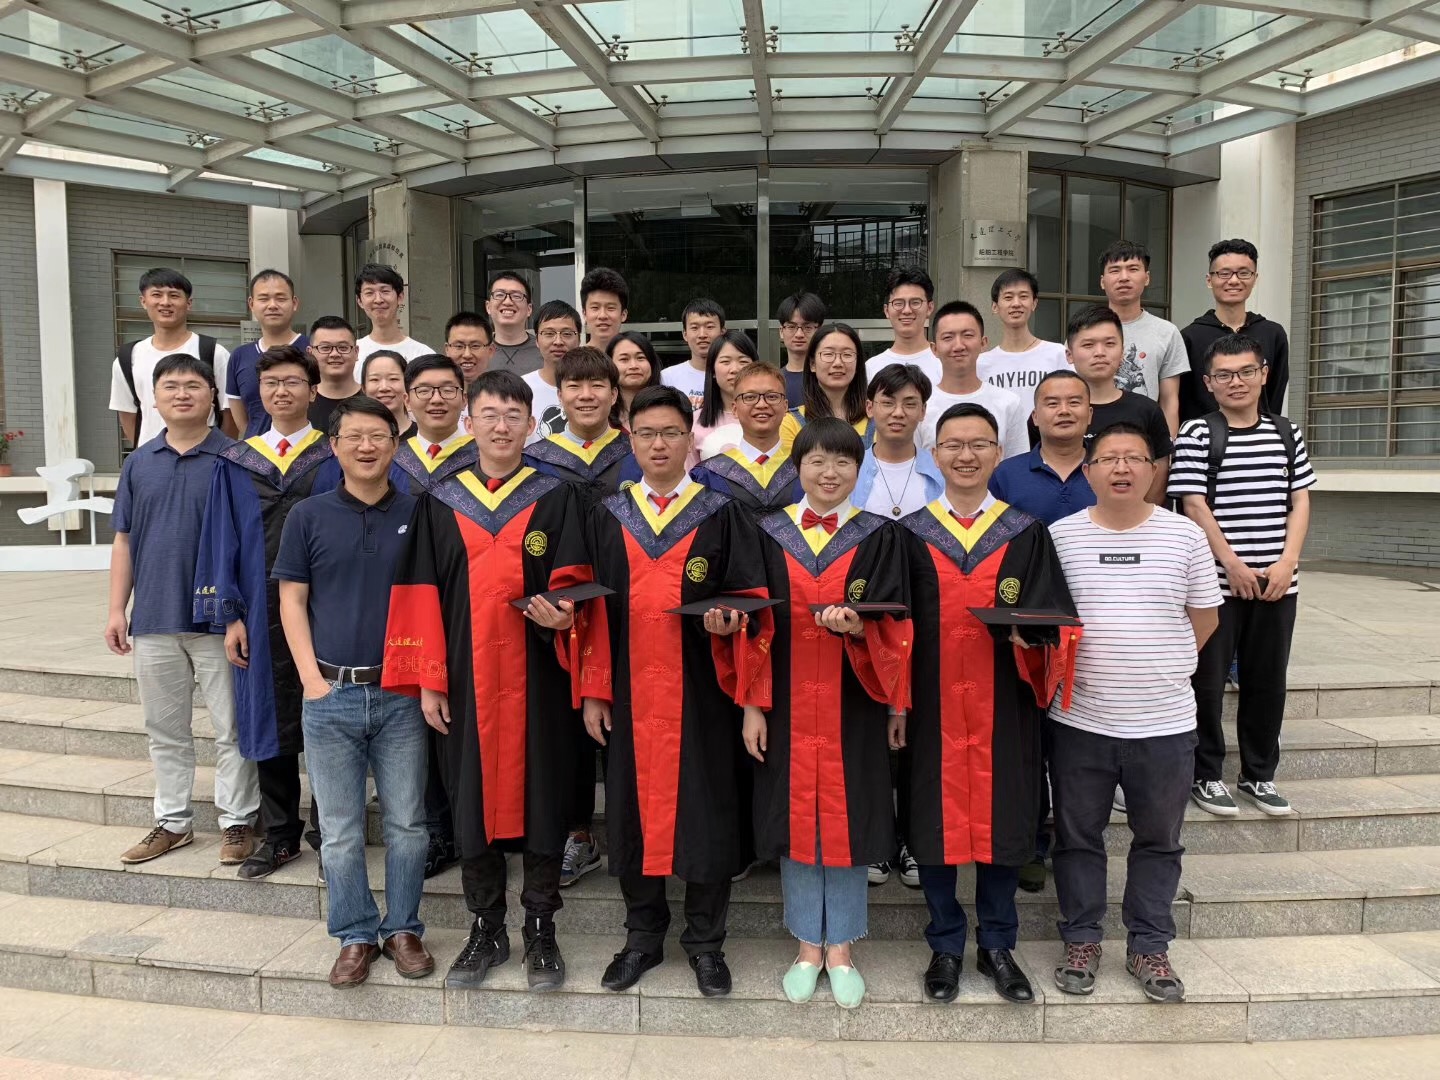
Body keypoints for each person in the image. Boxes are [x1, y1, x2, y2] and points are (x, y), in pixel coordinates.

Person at [383, 370, 599, 993]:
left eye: (512, 415)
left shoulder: (557, 497)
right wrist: (428, 680)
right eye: (489, 415)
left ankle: (541, 927)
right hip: (465, 680)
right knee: (471, 804)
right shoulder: (441, 501)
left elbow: (577, 585)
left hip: (540, 682)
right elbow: (419, 595)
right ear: (468, 422)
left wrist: (567, 616)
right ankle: (487, 927)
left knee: (544, 802)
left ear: (532, 424)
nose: (501, 427)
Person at [581, 384, 774, 998]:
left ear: (690, 439)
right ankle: (642, 938)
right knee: (631, 816)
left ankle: (706, 944)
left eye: (670, 432)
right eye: (646, 434)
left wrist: (731, 625)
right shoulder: (607, 515)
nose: (659, 444)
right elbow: (589, 612)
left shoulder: (721, 514)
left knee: (707, 815)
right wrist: (594, 690)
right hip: (629, 697)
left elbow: (752, 601)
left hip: (704, 698)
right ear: (630, 440)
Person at [897, 402, 1077, 1006]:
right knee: (934, 823)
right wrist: (896, 704)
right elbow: (893, 628)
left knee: (1003, 821)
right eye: (953, 445)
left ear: (999, 454)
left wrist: (1038, 639)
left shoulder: (1026, 533)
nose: (966, 455)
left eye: (979, 444)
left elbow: (1056, 620)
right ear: (935, 455)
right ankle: (946, 944)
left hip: (1005, 704)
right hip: (932, 708)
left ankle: (998, 943)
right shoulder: (909, 533)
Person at [1048, 422, 1221, 1004]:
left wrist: (1156, 665)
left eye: (1134, 458)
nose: (1121, 468)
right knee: (1076, 838)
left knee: (1159, 840)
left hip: (1164, 724)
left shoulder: (1185, 536)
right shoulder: (1062, 536)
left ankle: (1149, 944)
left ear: (1153, 470)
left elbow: (1205, 618)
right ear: (1089, 471)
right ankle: (1082, 939)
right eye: (1109, 459)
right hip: (1081, 721)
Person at [748, 417, 911, 1009]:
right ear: (797, 468)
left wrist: (863, 635)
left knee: (850, 818)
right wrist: (752, 706)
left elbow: (899, 625)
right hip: (786, 704)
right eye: (816, 460)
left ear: (858, 470)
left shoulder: (880, 536)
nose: (829, 472)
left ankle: (840, 946)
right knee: (796, 820)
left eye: (843, 461)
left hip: (854, 703)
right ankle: (805, 947)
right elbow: (754, 628)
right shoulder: (767, 533)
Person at [273, 396, 432, 989]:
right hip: (331, 693)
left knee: (408, 823)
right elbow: (291, 599)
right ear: (333, 446)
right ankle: (355, 934)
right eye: (354, 437)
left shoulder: (421, 512)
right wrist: (311, 681)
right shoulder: (308, 515)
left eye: (379, 436)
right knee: (339, 829)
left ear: (396, 444)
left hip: (401, 694)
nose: (367, 447)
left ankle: (403, 928)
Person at [193, 344, 340, 880]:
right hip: (258, 611)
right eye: (272, 382)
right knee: (268, 718)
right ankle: (280, 836)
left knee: (330, 719)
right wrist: (229, 615)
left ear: (313, 391)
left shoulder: (335, 454)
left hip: (328, 608)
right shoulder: (237, 460)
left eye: (293, 382)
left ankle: (330, 835)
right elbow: (221, 539)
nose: (282, 391)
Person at [106, 355, 259, 868]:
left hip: (218, 620)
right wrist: (116, 609)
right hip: (154, 616)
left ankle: (238, 821)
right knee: (165, 729)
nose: (182, 394)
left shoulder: (235, 457)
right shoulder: (139, 462)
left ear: (212, 395)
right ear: (153, 399)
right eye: (170, 386)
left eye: (194, 385)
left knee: (232, 729)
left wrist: (238, 614)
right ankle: (172, 822)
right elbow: (124, 540)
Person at [1170, 333, 1315, 817]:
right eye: (1225, 375)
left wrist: (1288, 561)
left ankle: (1258, 774)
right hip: (1216, 583)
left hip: (1278, 582)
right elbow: (1194, 504)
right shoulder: (1197, 433)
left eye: (1247, 372)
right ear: (1208, 382)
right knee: (1207, 682)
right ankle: (1206, 774)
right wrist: (1231, 563)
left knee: (1268, 681)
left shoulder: (1286, 432)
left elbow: (1300, 501)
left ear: (1264, 375)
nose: (1237, 382)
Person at [110, 267, 232, 447]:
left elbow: (229, 412)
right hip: (151, 457)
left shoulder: (214, 352)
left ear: (188, 303)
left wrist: (220, 454)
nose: (165, 302)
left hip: (206, 456)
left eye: (174, 295)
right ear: (143, 301)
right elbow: (127, 414)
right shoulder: (128, 357)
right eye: (157, 295)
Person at [1068, 306, 1172, 505]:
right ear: (1069, 354)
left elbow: (1159, 476)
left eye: (1109, 344)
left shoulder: (1147, 410)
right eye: (1088, 345)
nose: (1100, 353)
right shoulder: (1057, 413)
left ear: (1122, 352)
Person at [1180, 239, 1290, 423]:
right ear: (1209, 280)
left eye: (1243, 273)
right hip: (1204, 436)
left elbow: (1275, 393)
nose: (1233, 281)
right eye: (1224, 273)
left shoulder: (1273, 334)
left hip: (1258, 435)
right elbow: (1183, 398)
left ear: (1255, 278)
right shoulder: (1189, 337)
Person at [524, 346, 638, 510]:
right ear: (560, 396)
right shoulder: (535, 461)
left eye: (597, 385)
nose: (586, 395)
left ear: (613, 395)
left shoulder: (636, 453)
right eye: (574, 386)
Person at [917, 302, 1028, 459]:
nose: (958, 346)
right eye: (948, 337)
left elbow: (1018, 465)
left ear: (983, 343)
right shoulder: (920, 406)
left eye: (967, 335)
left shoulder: (1009, 403)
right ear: (934, 349)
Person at [1098, 241, 1187, 437]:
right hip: (1093, 437)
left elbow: (1169, 401)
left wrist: (1168, 446)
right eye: (1115, 270)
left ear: (1146, 278)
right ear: (1103, 281)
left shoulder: (1167, 332)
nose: (1124, 277)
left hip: (1145, 438)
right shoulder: (1085, 330)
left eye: (1133, 269)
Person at [691, 363, 801, 520]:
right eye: (750, 397)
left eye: (772, 397)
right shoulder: (709, 475)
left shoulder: (805, 470)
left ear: (785, 407)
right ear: (735, 409)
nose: (762, 404)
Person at [991, 370, 1096, 525]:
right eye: (1052, 404)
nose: (1064, 411)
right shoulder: (1004, 474)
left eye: (1074, 402)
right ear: (1035, 417)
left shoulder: (1110, 469)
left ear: (1089, 414)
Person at [854, 365, 943, 522]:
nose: (898, 413)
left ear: (923, 411)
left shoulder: (941, 470)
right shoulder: (851, 469)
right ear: (869, 408)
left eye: (910, 404)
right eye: (888, 403)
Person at [228, 269, 305, 438]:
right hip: (256, 451)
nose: (272, 305)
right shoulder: (239, 356)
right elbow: (242, 422)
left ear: (294, 303)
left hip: (309, 450)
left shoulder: (313, 350)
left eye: (280, 298)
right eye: (264, 299)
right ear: (251, 304)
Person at [780, 323, 873, 453]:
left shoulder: (877, 420)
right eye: (828, 354)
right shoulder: (791, 423)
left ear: (858, 364)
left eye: (847, 354)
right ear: (812, 364)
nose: (838, 363)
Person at [978, 269, 1070, 396]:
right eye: (1008, 297)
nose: (1016, 304)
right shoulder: (982, 363)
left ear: (1034, 303)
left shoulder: (1057, 354)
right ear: (995, 307)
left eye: (1023, 296)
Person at [392, 355, 475, 492]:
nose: (437, 399)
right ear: (407, 401)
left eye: (447, 390)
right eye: (424, 391)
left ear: (464, 400)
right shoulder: (393, 459)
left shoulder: (483, 458)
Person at [863, 267, 941, 389]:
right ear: (886, 310)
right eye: (898, 303)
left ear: (929, 308)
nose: (907, 310)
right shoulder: (871, 368)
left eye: (915, 302)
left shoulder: (945, 362)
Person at [692, 330, 758, 460]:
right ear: (713, 371)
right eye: (725, 362)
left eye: (743, 361)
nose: (734, 370)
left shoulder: (771, 417)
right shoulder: (694, 422)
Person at [353, 264, 432, 370]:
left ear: (400, 297)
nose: (378, 300)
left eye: (385, 291)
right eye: (369, 293)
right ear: (359, 301)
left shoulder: (423, 354)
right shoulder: (351, 353)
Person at [525, 300, 583, 441]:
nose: (558, 341)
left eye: (567, 334)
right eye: (549, 333)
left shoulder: (592, 389)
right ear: (537, 340)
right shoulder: (521, 387)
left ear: (579, 339)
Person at [663, 299, 726, 409]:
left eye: (709, 327)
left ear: (722, 332)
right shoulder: (667, 377)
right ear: (685, 334)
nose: (702, 335)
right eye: (694, 328)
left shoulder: (733, 374)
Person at [307, 315, 363, 435]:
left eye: (343, 347)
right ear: (310, 353)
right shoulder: (301, 403)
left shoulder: (373, 398)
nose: (334, 354)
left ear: (356, 352)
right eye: (325, 348)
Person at [484, 272, 544, 376]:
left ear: (529, 309)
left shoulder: (545, 351)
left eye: (516, 296)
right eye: (499, 295)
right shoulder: (477, 352)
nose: (507, 302)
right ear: (488, 307)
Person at [777, 292, 826, 405]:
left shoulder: (829, 378)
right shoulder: (773, 380)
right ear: (781, 331)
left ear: (819, 331)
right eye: (791, 327)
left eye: (807, 327)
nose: (799, 334)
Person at [607, 331, 662, 431]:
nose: (633, 366)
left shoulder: (669, 410)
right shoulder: (601, 417)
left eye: (640, 358)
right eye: (624, 359)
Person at [361, 350, 415, 440]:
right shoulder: (350, 437)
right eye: (375, 379)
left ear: (407, 384)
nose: (384, 387)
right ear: (364, 388)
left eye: (393, 379)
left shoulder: (425, 436)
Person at [581, 267, 629, 353]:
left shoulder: (635, 360)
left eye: (610, 308)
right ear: (584, 314)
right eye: (595, 308)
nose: (602, 315)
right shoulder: (573, 360)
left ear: (623, 314)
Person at [444, 311, 497, 387]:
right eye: (459, 346)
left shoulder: (505, 392)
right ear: (447, 349)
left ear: (491, 350)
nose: (467, 355)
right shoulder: (434, 392)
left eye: (475, 346)